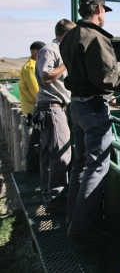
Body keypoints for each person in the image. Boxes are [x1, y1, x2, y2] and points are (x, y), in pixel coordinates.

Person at [60, 0, 120, 243]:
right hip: (92, 107)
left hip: (76, 106)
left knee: (80, 164)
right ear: (99, 8)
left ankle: (73, 217)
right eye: (104, 11)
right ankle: (82, 228)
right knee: (97, 167)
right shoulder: (96, 39)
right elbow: (107, 80)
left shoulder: (69, 36)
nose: (104, 17)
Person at [34, 20, 74, 214]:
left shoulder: (55, 50)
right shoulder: (51, 50)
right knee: (61, 155)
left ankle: (49, 195)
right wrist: (67, 62)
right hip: (51, 108)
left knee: (49, 154)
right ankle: (57, 201)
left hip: (51, 108)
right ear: (66, 34)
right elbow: (46, 77)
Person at [19, 41, 45, 175]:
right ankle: (33, 170)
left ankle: (33, 169)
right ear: (35, 52)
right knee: (37, 141)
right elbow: (36, 91)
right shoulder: (31, 67)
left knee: (37, 139)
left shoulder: (33, 65)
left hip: (34, 109)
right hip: (34, 110)